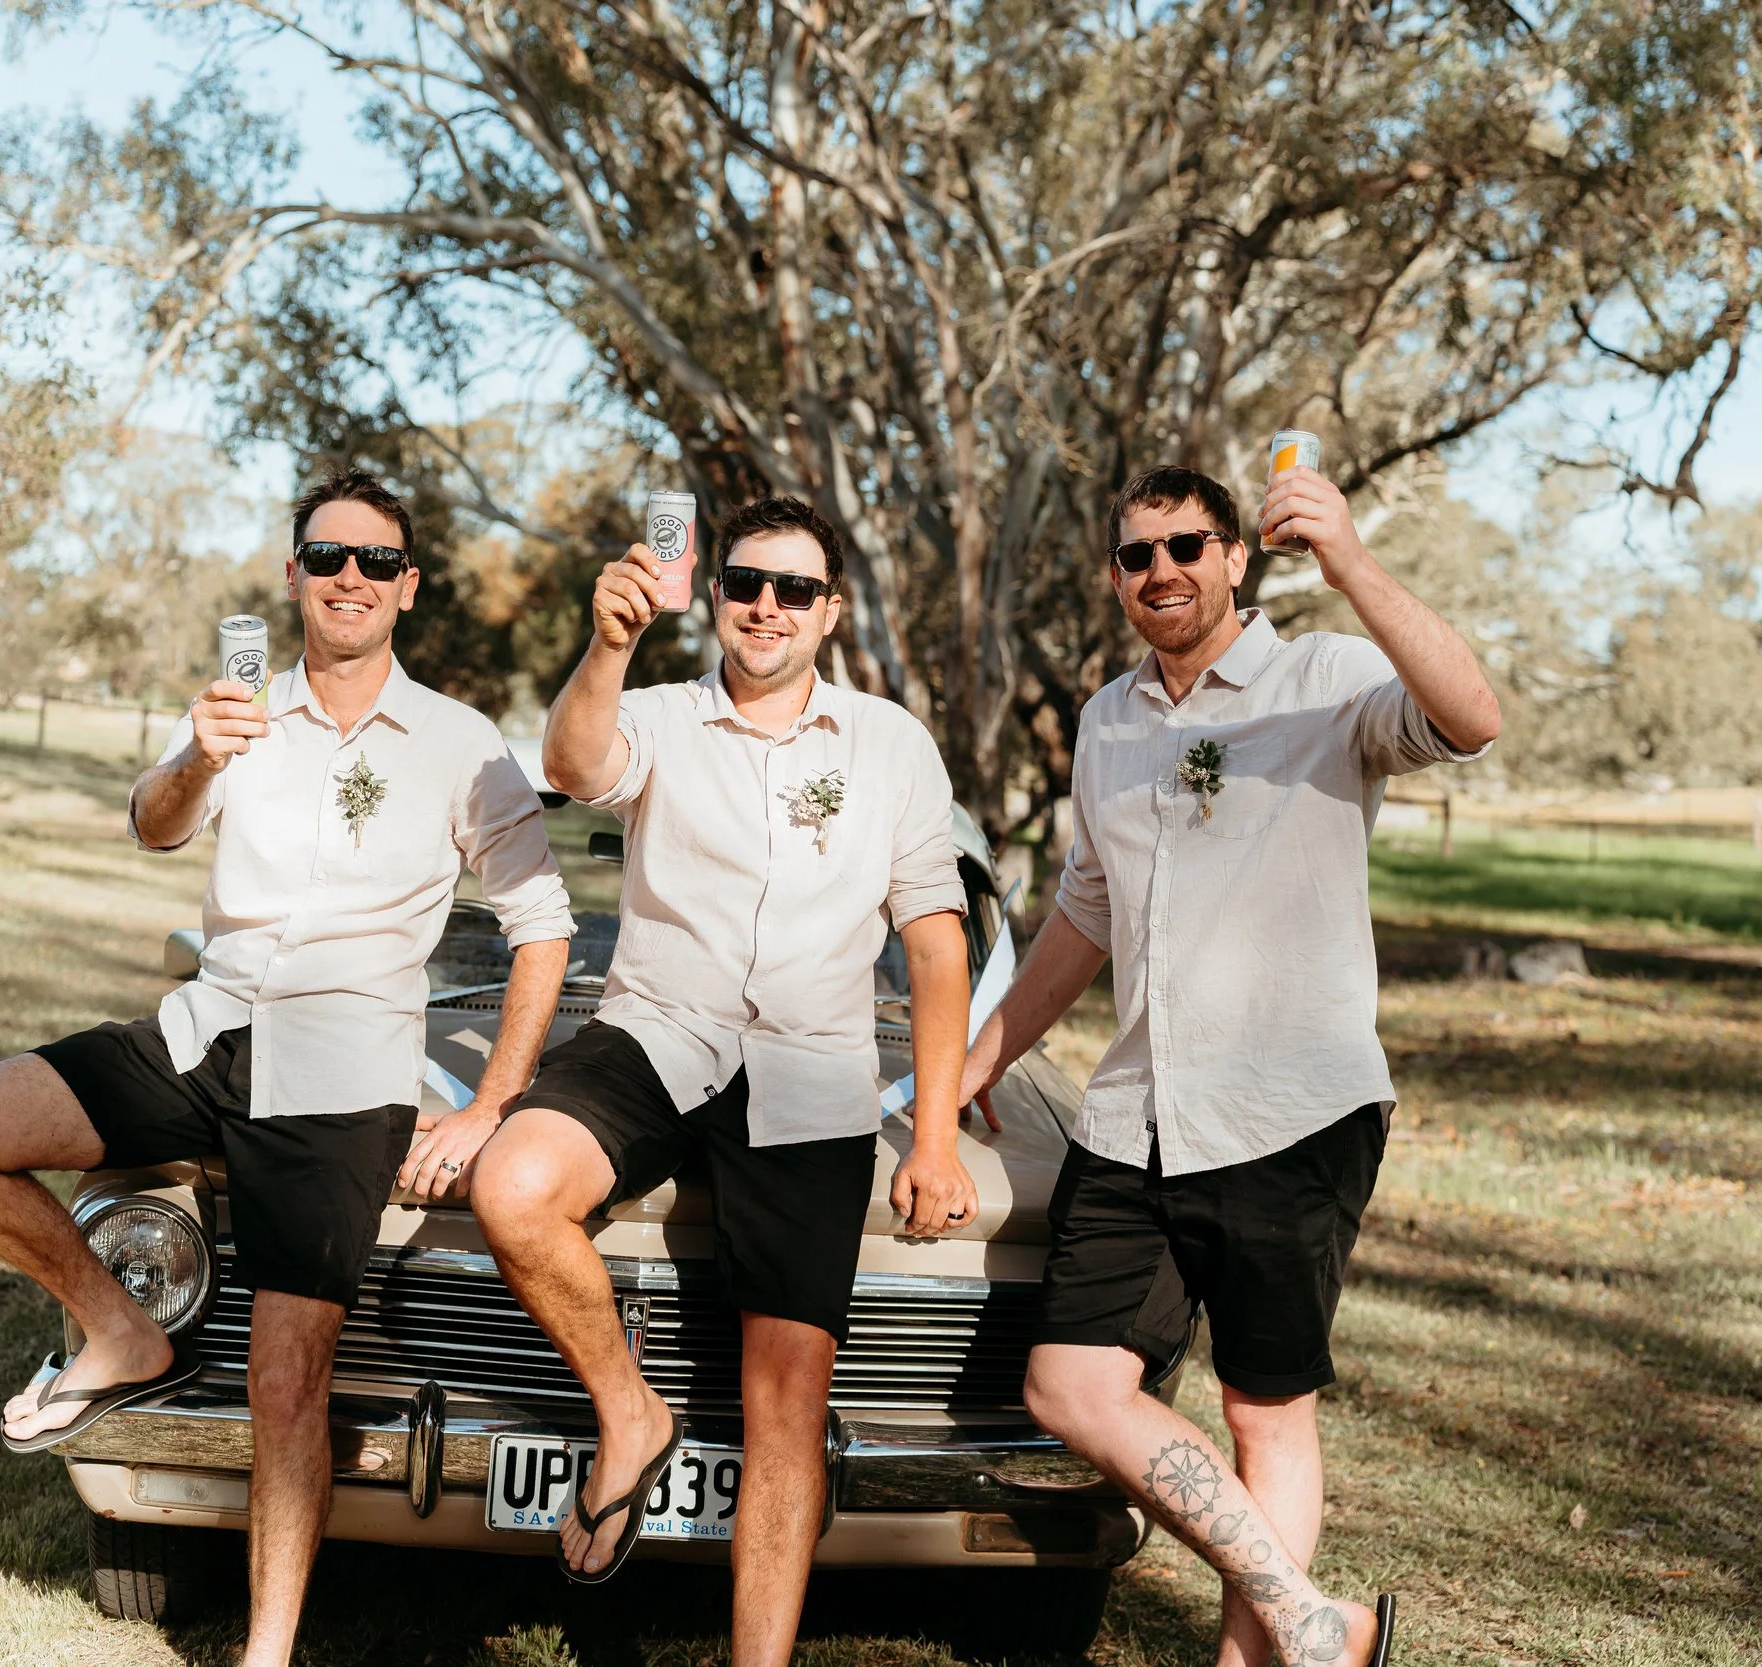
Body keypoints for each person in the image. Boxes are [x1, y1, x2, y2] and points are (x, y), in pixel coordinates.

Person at [0, 467, 574, 1667]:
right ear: (294, 574)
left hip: (343, 1074)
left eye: (375, 560)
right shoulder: (236, 705)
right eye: (328, 557)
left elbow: (542, 924)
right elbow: (152, 824)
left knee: (284, 1382)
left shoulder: (462, 743)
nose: (351, 577)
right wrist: (200, 759)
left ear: (409, 586)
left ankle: (265, 1651)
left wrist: (490, 1100)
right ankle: (121, 1331)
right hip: (203, 1033)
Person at [960, 464, 1499, 1667]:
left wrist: (1349, 558)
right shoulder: (1107, 721)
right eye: (1136, 553)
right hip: (1134, 1112)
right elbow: (1084, 913)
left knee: (1265, 1410)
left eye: (1186, 546)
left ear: (1234, 556)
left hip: (1289, 1109)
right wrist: (979, 1056)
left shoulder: (1326, 680)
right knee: (1069, 1386)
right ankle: (1313, 1620)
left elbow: (1472, 718)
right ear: (1115, 575)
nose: (1161, 570)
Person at [461, 496, 979, 1664]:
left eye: (795, 589)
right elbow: (572, 763)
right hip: (656, 1032)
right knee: (513, 1184)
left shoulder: (890, 743)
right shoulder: (656, 711)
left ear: (830, 611)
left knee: (784, 1405)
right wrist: (609, 640)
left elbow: (936, 942)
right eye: (747, 582)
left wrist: (936, 1136)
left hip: (811, 1066)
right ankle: (630, 1410)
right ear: (717, 593)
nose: (766, 606)